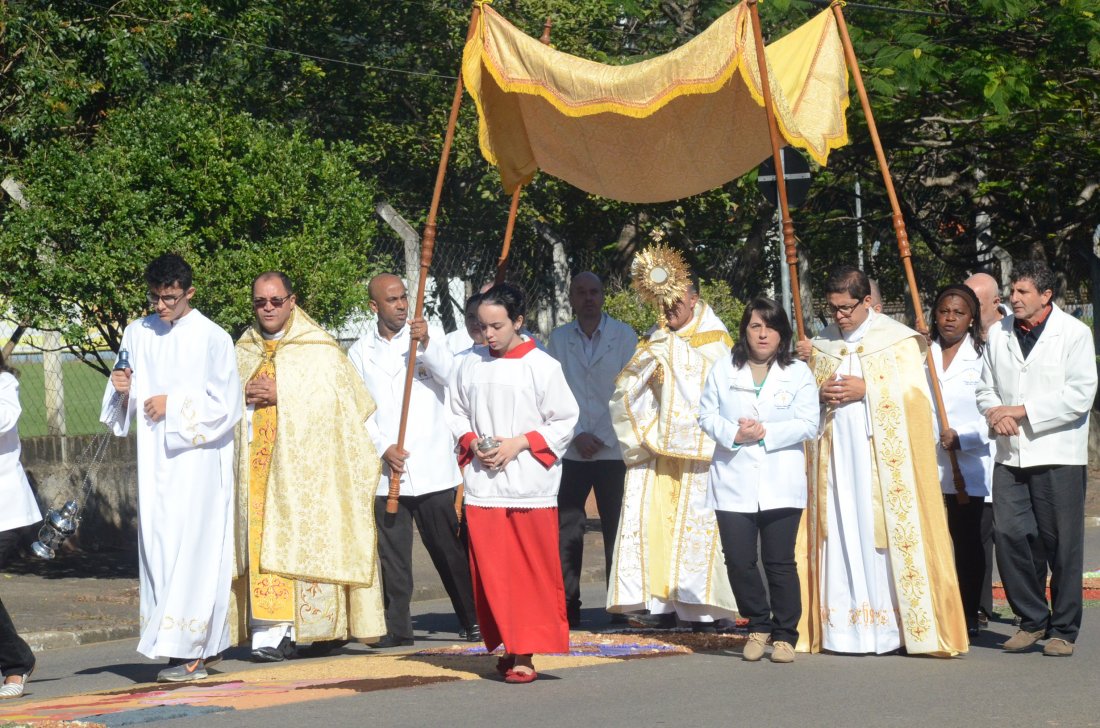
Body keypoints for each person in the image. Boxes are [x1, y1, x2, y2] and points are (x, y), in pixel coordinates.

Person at [798, 265, 967, 656]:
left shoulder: (898, 341)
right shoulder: (823, 344)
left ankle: (892, 629)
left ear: (867, 301)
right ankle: (841, 629)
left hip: (883, 468)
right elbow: (803, 398)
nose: (839, 316)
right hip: (834, 463)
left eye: (846, 308)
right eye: (833, 308)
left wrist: (869, 390)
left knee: (881, 539)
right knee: (838, 532)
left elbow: (917, 401)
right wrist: (818, 394)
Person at [231, 272, 385, 661]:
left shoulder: (319, 348)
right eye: (260, 302)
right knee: (261, 545)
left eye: (275, 301)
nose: (267, 308)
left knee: (304, 542)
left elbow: (343, 405)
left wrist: (283, 391)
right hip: (255, 472)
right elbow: (217, 400)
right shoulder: (243, 349)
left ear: (292, 300)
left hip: (306, 476)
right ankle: (270, 632)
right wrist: (239, 394)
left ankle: (316, 630)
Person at [102, 254, 242, 682]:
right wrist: (120, 388)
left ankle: (192, 652)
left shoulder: (213, 337)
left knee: (195, 551)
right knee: (160, 551)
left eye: (170, 298)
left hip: (199, 465)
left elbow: (228, 406)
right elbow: (122, 398)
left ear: (189, 293)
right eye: (155, 298)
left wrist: (174, 406)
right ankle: (192, 644)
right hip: (155, 463)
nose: (161, 306)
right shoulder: (137, 332)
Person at [449, 283, 579, 683]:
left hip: (528, 484)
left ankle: (525, 652)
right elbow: (454, 411)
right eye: (482, 326)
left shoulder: (542, 366)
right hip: (484, 484)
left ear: (518, 321)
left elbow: (565, 419)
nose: (488, 334)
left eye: (497, 326)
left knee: (528, 572)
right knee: (493, 572)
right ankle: (509, 641)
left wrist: (519, 443)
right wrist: (472, 441)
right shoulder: (466, 363)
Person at [349, 274, 479, 648]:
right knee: (393, 556)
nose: (402, 304)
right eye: (392, 299)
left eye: (404, 297)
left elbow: (455, 380)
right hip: (388, 469)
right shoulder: (359, 352)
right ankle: (399, 628)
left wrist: (427, 346)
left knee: (448, 549)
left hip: (433, 466)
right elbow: (359, 409)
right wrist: (383, 447)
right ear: (374, 306)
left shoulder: (428, 339)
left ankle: (472, 619)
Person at [976, 260, 1097, 656]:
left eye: (1022, 291)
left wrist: (1022, 412)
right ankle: (1031, 619)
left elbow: (1079, 395)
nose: (1013, 298)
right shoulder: (999, 334)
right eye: (1012, 290)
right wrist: (995, 413)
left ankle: (1063, 630)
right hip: (1010, 454)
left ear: (1046, 296)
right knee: (1009, 535)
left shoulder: (1074, 333)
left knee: (1062, 544)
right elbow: (985, 388)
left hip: (1058, 454)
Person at [607, 277, 738, 630]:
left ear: (694, 299)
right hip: (659, 448)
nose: (668, 309)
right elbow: (629, 389)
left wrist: (672, 357)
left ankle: (706, 612)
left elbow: (716, 384)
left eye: (676, 300)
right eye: (661, 301)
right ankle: (661, 606)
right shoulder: (656, 337)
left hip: (697, 454)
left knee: (697, 529)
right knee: (656, 524)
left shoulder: (714, 338)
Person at [699, 298, 817, 663]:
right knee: (738, 560)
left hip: (781, 479)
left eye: (771, 327)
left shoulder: (798, 372)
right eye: (755, 326)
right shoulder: (724, 368)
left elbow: (809, 423)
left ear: (782, 333)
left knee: (779, 561)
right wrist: (735, 434)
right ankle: (758, 624)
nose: (763, 334)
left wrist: (765, 433)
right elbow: (706, 415)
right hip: (733, 478)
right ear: (744, 331)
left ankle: (784, 635)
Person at [547, 272, 637, 628]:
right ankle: (567, 605)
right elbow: (553, 393)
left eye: (594, 292)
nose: (588, 298)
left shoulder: (624, 335)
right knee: (568, 527)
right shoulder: (559, 339)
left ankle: (619, 605)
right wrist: (577, 434)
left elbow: (629, 391)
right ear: (571, 297)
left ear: (603, 296)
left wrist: (599, 434)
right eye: (581, 292)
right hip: (572, 449)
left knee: (618, 527)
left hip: (612, 448)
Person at [928, 284, 993, 638]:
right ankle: (935, 613)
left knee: (967, 543)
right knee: (932, 544)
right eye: (944, 311)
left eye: (959, 313)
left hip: (967, 469)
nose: (950, 319)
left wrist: (962, 438)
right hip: (927, 464)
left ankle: (969, 613)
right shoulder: (921, 355)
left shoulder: (983, 358)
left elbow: (992, 414)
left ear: (971, 319)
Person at [963, 271, 1006, 627]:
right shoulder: (960, 340)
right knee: (977, 536)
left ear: (996, 301)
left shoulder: (1013, 333)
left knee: (1021, 537)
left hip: (1009, 447)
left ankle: (1032, 608)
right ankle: (978, 607)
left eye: (975, 303)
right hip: (972, 460)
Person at [0, 353, 40, 699]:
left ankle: (17, 663)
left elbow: (5, 420)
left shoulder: (5, 384)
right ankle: (16, 659)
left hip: (7, 512)